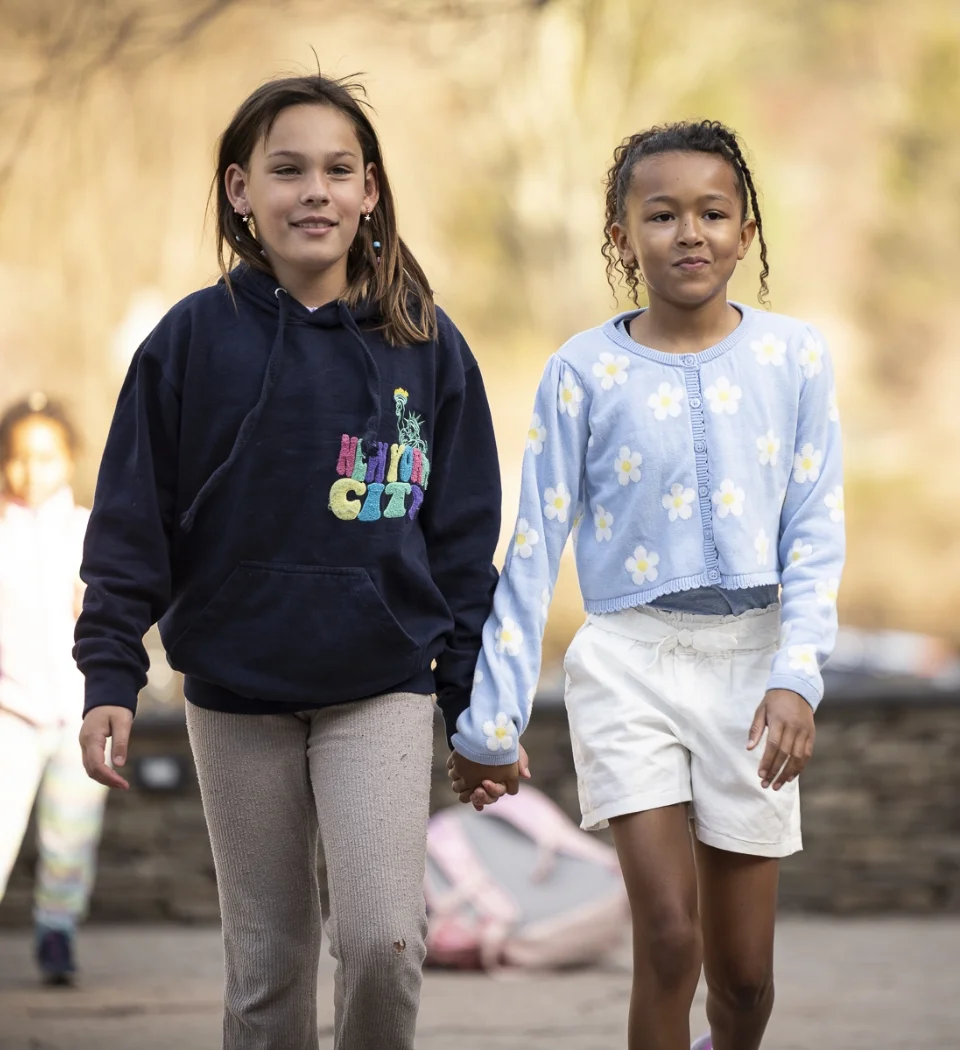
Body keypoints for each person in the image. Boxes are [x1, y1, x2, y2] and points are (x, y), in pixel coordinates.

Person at [74, 74, 501, 1050]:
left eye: (338, 170)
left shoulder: (428, 349)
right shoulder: (186, 343)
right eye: (288, 169)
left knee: (385, 941)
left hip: (380, 687)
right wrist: (110, 670)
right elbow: (132, 521)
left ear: (370, 193)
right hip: (235, 692)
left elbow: (467, 549)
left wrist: (478, 704)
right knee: (268, 975)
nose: (315, 190)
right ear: (239, 191)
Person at [449, 120, 845, 1050]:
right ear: (622, 236)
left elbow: (816, 529)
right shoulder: (582, 372)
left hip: (753, 671)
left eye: (713, 212)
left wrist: (798, 674)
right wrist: (490, 719)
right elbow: (536, 543)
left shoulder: (795, 358)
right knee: (671, 941)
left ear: (746, 231)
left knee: (745, 984)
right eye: (661, 215)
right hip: (627, 664)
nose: (690, 233)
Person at [0, 393, 106, 985]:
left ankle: (57, 933)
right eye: (17, 458)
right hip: (8, 713)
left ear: (67, 460)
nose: (30, 470)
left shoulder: (87, 530)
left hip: (75, 715)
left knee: (70, 837)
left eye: (44, 457)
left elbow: (111, 613)